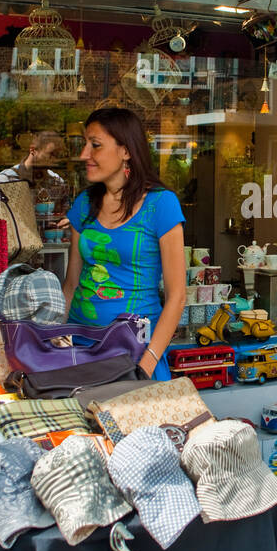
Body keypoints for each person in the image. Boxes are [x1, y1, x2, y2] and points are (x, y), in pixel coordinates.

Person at [62, 108, 186, 381]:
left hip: (134, 355)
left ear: (126, 151)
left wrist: (147, 365)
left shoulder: (161, 205)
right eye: (85, 145)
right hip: (79, 351)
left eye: (95, 145)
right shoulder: (84, 204)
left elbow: (177, 296)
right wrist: (57, 339)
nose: (85, 154)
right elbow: (71, 284)